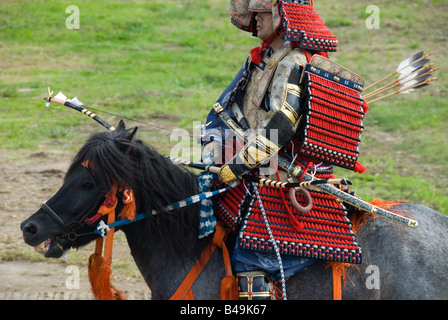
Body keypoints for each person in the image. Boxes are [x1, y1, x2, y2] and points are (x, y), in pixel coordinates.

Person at [200, 0, 366, 300]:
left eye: (263, 12)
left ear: (283, 15)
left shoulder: (294, 61)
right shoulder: (265, 55)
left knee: (252, 258)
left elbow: (281, 125)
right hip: (258, 167)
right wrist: (217, 147)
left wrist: (236, 166)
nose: (255, 18)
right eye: (254, 11)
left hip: (286, 177)